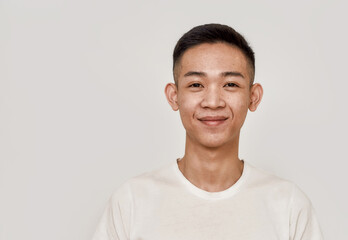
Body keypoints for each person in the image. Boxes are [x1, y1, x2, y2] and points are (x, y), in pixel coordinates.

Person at [92, 23, 323, 240]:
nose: (213, 102)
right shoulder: (132, 201)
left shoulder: (288, 205)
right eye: (196, 85)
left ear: (253, 97)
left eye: (230, 84)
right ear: (174, 96)